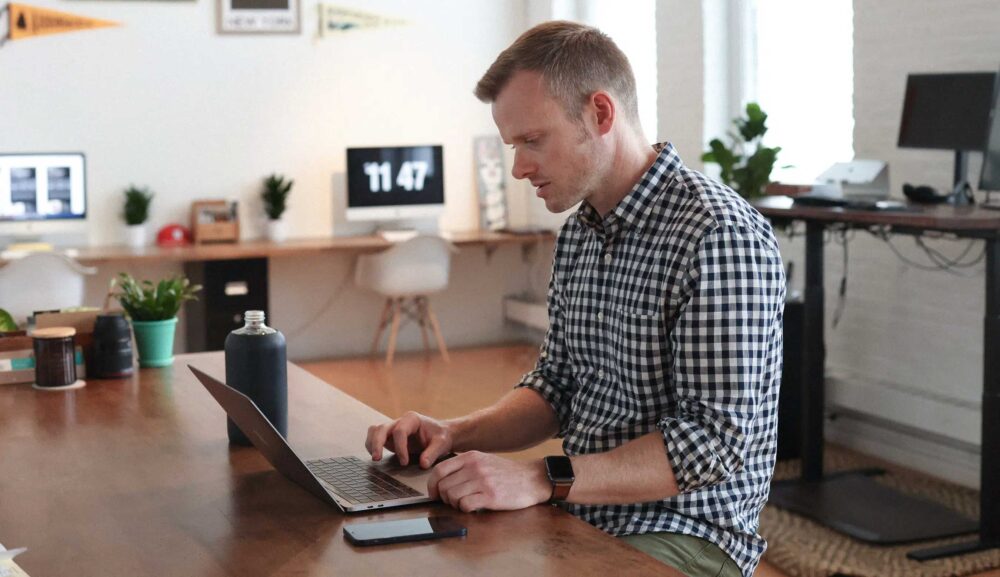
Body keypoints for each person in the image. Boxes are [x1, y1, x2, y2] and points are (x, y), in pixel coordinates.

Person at [365, 20, 785, 577]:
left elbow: (712, 445)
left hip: (686, 534)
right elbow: (558, 385)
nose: (519, 168)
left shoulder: (717, 234)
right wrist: (452, 433)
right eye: (513, 147)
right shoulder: (583, 231)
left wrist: (541, 477)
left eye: (533, 141)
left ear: (600, 114)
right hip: (580, 509)